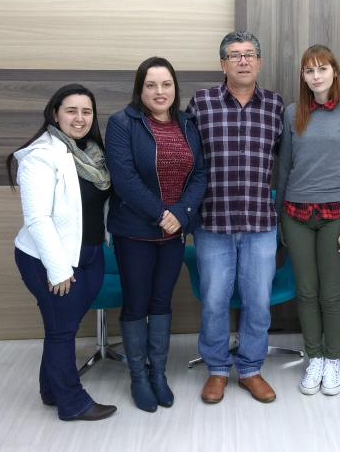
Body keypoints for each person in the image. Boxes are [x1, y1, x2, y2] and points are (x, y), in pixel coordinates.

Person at [7, 84, 116, 422]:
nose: (80, 118)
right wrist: (58, 270)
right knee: (62, 330)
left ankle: (51, 389)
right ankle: (73, 403)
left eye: (86, 111)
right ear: (55, 113)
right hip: (50, 259)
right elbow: (38, 219)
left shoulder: (92, 154)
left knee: (60, 325)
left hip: (90, 253)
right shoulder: (41, 156)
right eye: (71, 110)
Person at [186, 30, 284, 404]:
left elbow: (286, 162)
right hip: (213, 222)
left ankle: (250, 368)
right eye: (234, 55)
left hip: (260, 222)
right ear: (223, 64)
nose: (243, 61)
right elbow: (187, 162)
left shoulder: (276, 106)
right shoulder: (201, 104)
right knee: (214, 300)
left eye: (249, 54)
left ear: (259, 62)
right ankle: (216, 369)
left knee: (258, 301)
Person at [105, 57, 207, 412]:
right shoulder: (122, 123)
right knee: (136, 303)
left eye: (166, 84)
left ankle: (158, 373)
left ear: (175, 88)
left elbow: (200, 176)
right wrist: (162, 213)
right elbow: (124, 178)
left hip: (174, 232)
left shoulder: (188, 123)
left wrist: (180, 215)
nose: (159, 92)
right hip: (134, 232)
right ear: (140, 89)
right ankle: (138, 376)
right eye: (151, 85)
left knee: (162, 302)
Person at [276, 44, 340, 396]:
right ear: (303, 76)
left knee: (330, 294)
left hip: (337, 216)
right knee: (305, 291)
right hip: (296, 214)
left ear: (334, 72)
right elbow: (283, 169)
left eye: (322, 69)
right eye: (309, 70)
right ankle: (313, 357)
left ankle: (333, 360)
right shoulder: (291, 113)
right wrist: (278, 219)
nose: (316, 76)